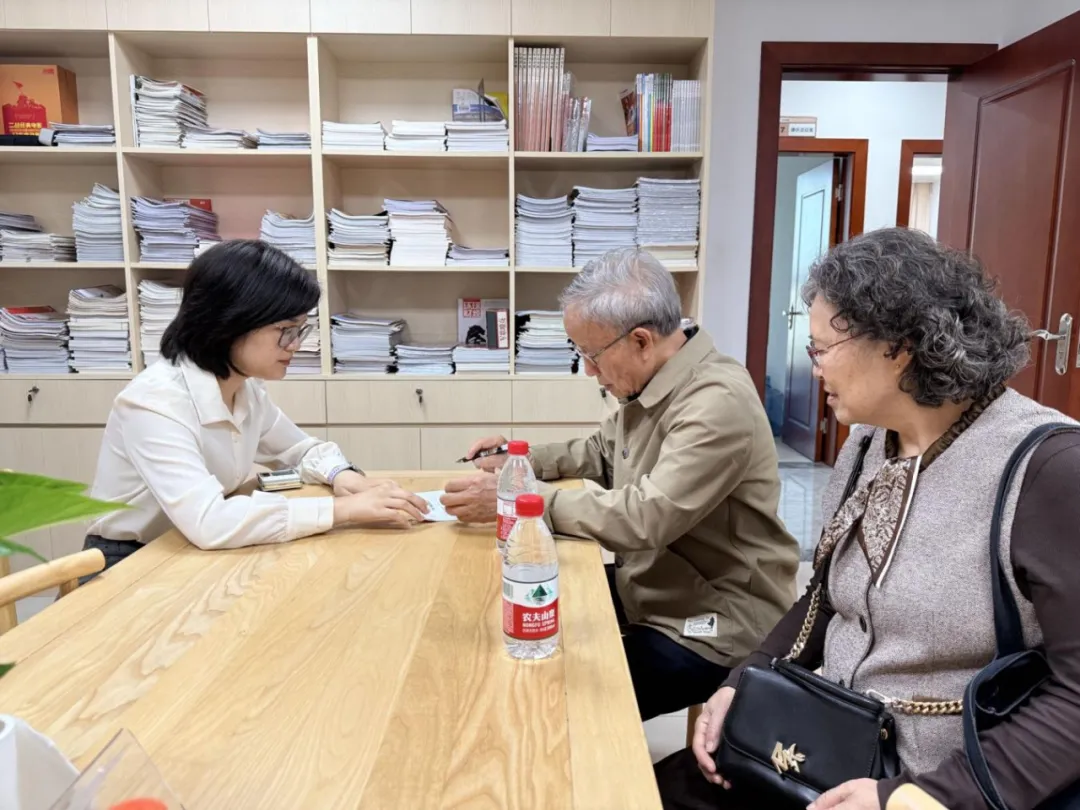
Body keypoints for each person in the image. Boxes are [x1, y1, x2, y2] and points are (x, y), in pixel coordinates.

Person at [656, 227, 1080, 810]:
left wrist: (915, 797)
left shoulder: (1048, 468)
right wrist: (743, 682)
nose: (815, 369)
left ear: (898, 347)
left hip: (946, 782)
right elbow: (826, 597)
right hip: (834, 741)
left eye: (821, 349)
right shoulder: (868, 443)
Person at [441, 247, 800, 720]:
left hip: (719, 617)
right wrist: (520, 460)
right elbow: (601, 451)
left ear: (641, 341)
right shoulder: (654, 380)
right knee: (515, 608)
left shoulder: (717, 401)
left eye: (591, 355)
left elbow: (646, 518)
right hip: (656, 584)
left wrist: (525, 499)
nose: (589, 371)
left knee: (556, 700)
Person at [84, 240, 427, 574]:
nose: (295, 345)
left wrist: (343, 476)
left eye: (300, 330)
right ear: (229, 323)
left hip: (190, 550)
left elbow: (301, 450)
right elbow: (209, 521)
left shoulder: (244, 388)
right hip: (130, 561)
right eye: (286, 330)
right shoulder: (154, 403)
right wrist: (343, 510)